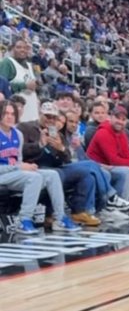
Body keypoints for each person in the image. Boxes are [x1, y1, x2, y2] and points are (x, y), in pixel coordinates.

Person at [0, 100, 78, 234]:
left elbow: (17, 160)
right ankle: (24, 220)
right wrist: (19, 168)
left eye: (12, 114)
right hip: (3, 174)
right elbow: (16, 165)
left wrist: (40, 146)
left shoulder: (17, 134)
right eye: (6, 113)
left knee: (52, 175)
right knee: (34, 178)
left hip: (13, 173)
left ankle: (60, 218)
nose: (9, 116)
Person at [86, 105, 129, 207]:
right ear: (111, 117)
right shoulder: (103, 132)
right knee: (126, 171)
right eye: (117, 118)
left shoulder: (121, 133)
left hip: (111, 165)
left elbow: (126, 155)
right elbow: (113, 160)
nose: (120, 122)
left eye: (123, 119)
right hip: (99, 166)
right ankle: (120, 205)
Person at [0, 36, 40, 122]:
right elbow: (2, 87)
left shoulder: (29, 65)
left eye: (25, 48)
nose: (23, 50)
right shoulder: (7, 62)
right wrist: (24, 85)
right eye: (19, 47)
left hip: (32, 113)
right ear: (12, 48)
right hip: (16, 113)